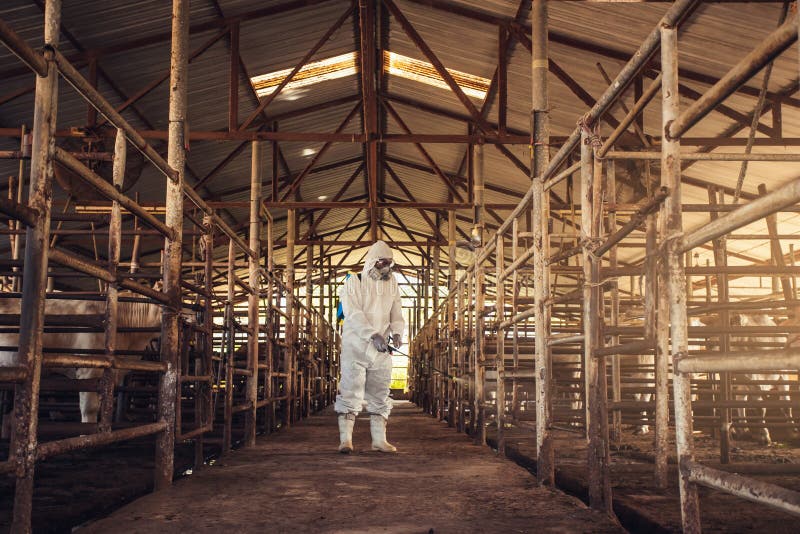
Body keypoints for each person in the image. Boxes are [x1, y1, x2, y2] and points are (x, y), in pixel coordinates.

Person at [335, 240, 405, 454]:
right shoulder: (353, 281)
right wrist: (372, 334)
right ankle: (346, 440)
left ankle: (379, 440)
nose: (387, 267)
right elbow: (352, 312)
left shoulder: (392, 283)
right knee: (350, 390)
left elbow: (396, 310)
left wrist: (397, 333)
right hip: (356, 344)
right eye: (383, 262)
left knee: (380, 391)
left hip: (380, 347)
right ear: (373, 261)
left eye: (390, 264)